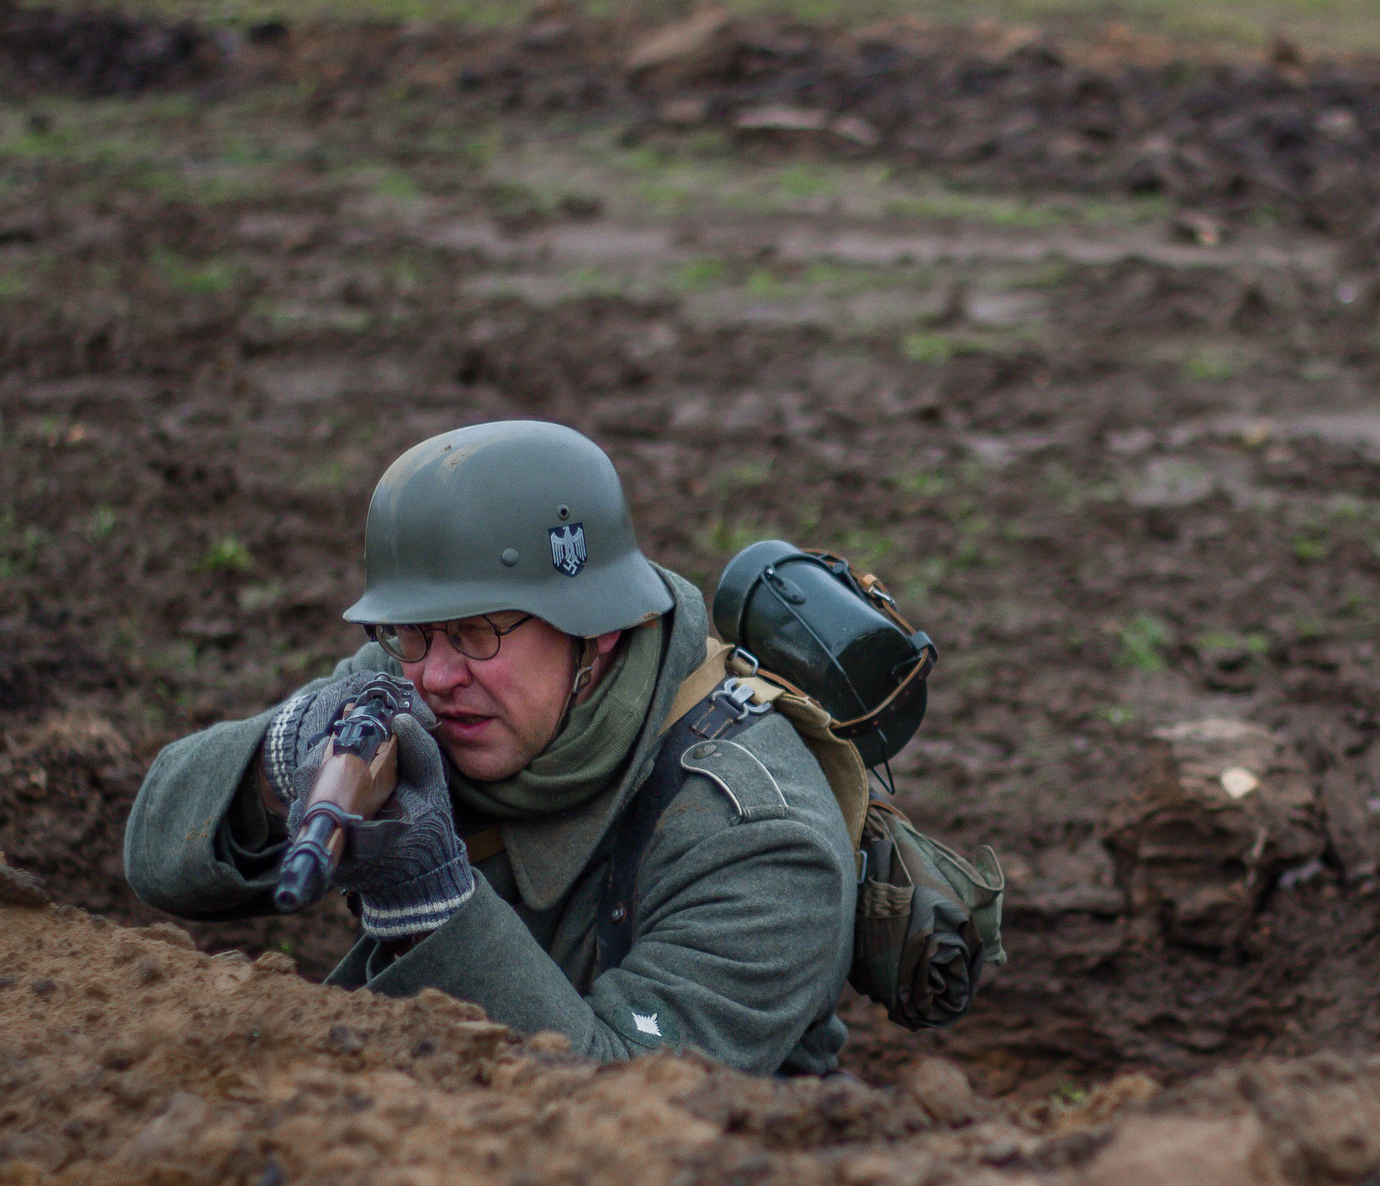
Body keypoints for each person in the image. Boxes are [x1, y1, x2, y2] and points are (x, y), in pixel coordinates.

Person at [123, 420, 859, 1075]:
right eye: (413, 632)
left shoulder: (762, 838)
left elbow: (628, 1108)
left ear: (595, 628)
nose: (436, 674)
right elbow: (159, 860)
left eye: (480, 632)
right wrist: (282, 765)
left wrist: (436, 909)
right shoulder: (428, 676)